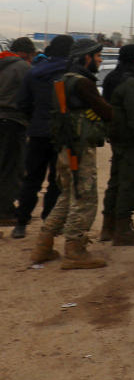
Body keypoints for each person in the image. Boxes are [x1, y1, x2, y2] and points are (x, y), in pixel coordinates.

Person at [32, 38, 112, 268]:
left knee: (67, 196)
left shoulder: (63, 79)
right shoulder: (82, 83)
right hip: (79, 148)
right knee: (84, 197)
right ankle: (75, 250)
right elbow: (106, 112)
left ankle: (43, 246)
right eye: (97, 56)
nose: (99, 60)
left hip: (65, 148)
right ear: (86, 57)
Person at [12, 35, 74, 239]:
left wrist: (35, 119)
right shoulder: (71, 74)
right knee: (57, 181)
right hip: (63, 135)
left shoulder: (34, 72)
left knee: (32, 179)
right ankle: (50, 222)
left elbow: (22, 103)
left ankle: (21, 224)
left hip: (38, 133)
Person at [100, 44, 134, 246]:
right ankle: (123, 230)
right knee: (130, 182)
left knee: (116, 181)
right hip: (130, 139)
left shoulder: (113, 78)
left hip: (117, 137)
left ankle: (108, 227)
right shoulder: (131, 83)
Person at [0, 37, 36, 224]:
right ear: (26, 53)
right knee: (12, 167)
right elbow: (31, 97)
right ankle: (5, 212)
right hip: (13, 122)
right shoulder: (23, 68)